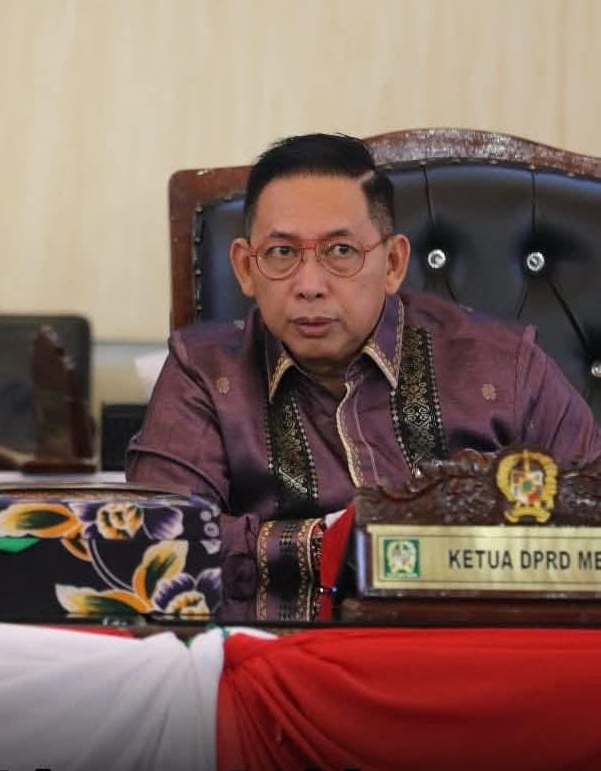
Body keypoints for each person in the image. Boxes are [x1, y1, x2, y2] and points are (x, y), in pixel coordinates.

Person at [126, 133, 601, 619]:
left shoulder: (505, 366)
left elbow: (592, 531)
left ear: (393, 263)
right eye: (282, 253)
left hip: (479, 649)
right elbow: (158, 552)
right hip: (287, 654)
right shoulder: (204, 372)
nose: (310, 286)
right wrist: (343, 544)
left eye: (341, 251)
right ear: (246, 268)